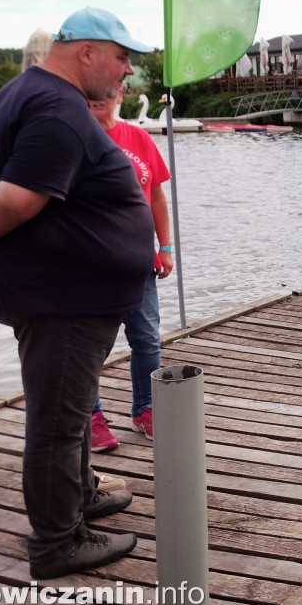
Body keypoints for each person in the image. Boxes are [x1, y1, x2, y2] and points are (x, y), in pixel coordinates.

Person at [0, 7, 153, 578]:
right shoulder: (58, 108)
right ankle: (57, 543)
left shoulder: (17, 93)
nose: (126, 74)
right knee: (58, 422)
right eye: (122, 59)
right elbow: (19, 198)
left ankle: (80, 494)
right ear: (88, 52)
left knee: (68, 404)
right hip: (62, 297)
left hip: (58, 289)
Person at [87, 93, 173, 450]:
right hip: (91, 265)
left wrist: (165, 247)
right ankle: (90, 418)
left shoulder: (138, 136)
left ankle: (145, 409)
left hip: (139, 261)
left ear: (121, 94)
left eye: (110, 92)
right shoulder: (75, 135)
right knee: (89, 347)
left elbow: (155, 195)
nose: (101, 99)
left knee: (147, 338)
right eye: (92, 94)